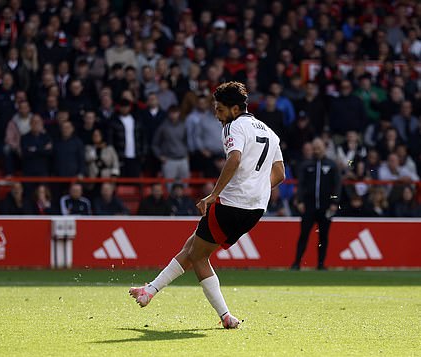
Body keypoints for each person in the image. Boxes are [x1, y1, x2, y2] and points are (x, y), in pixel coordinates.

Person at [129, 82, 284, 329]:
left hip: (232, 204)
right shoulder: (269, 132)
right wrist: (258, 188)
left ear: (235, 109)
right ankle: (149, 290)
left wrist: (214, 194)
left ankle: (225, 316)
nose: (216, 115)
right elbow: (280, 173)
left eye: (220, 109)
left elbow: (234, 158)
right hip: (256, 209)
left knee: (198, 257)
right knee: (193, 246)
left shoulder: (233, 127)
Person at [292, 138, 342, 271]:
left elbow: (336, 186)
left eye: (319, 148)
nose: (316, 151)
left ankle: (321, 264)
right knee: (304, 235)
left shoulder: (331, 165)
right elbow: (301, 185)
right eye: (314, 148)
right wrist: (300, 201)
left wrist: (334, 202)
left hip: (326, 207)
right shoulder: (306, 165)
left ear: (324, 148)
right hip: (309, 206)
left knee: (323, 236)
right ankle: (296, 263)